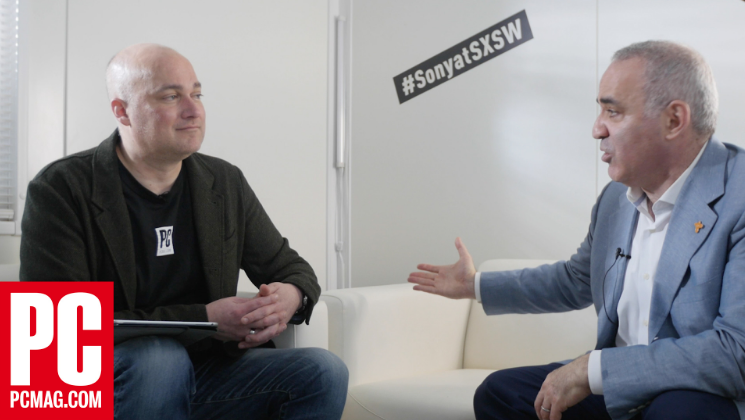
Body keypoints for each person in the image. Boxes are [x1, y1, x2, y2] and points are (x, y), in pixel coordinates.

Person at [409, 40, 745, 420]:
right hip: (622, 388)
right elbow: (575, 280)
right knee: (501, 394)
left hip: (699, 393)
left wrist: (591, 370)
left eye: (612, 111)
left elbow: (736, 352)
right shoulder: (616, 200)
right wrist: (475, 285)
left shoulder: (738, 196)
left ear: (674, 120)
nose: (596, 129)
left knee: (679, 413)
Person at [20, 43, 348, 420]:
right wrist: (203, 318)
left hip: (205, 375)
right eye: (171, 96)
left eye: (196, 93)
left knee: (322, 372)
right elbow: (55, 331)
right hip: (99, 385)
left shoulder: (223, 182)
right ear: (122, 111)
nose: (193, 110)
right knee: (161, 360)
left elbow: (290, 267)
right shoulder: (60, 188)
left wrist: (289, 295)